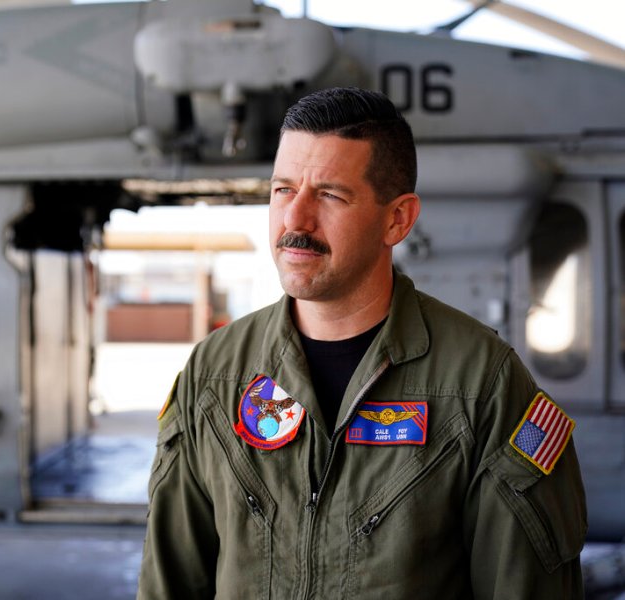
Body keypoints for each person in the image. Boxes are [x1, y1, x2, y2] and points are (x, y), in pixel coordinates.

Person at [137, 87, 586, 599]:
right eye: (284, 189)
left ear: (397, 219)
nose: (295, 221)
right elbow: (168, 585)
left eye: (329, 194)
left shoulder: (482, 384)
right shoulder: (214, 374)